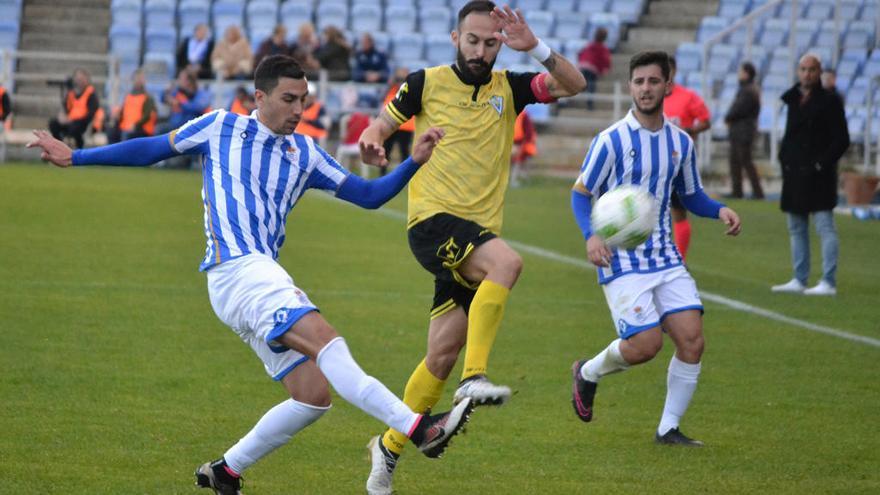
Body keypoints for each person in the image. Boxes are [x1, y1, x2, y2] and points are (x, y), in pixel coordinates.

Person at [27, 54, 474, 495]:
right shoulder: (221, 126)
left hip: (253, 278)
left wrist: (413, 160)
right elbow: (153, 148)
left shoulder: (305, 152)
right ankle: (416, 429)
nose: (299, 110)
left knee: (313, 394)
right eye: (288, 99)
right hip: (238, 270)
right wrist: (77, 155)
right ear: (259, 97)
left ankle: (226, 471)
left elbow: (370, 195)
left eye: (304, 99)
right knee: (327, 341)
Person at [357, 2, 586, 493]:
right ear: (455, 38)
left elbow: (575, 84)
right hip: (434, 222)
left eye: (490, 42)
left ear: (501, 43)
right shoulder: (425, 82)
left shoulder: (512, 88)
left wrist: (538, 49)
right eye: (473, 40)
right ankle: (475, 377)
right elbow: (382, 122)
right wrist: (371, 139)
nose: (481, 51)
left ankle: (388, 449)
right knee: (509, 262)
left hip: (472, 241)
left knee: (439, 354)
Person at [569, 50, 742, 448]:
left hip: (665, 258)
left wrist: (720, 210)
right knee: (646, 346)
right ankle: (588, 373)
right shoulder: (611, 140)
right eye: (638, 82)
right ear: (630, 86)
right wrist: (590, 235)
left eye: (652, 81)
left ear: (668, 84)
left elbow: (691, 195)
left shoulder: (680, 142)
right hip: (621, 259)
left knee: (692, 340)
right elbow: (580, 195)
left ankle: (668, 429)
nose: (645, 89)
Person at [771, 54, 850, 296]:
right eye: (803, 69)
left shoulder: (830, 101)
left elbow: (841, 139)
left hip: (819, 174)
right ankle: (799, 278)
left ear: (819, 72)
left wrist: (821, 164)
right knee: (796, 227)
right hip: (794, 172)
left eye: (812, 70)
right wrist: (784, 158)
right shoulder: (793, 99)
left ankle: (828, 280)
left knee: (825, 226)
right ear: (798, 71)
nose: (807, 74)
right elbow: (790, 135)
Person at [663, 55, 711, 262]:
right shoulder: (650, 98)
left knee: (678, 212)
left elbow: (706, 120)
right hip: (652, 163)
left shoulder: (687, 96)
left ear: (673, 71)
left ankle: (679, 261)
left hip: (678, 163)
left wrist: (689, 129)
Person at [724, 61, 763, 199]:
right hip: (741, 130)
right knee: (736, 161)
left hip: (743, 131)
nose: (739, 74)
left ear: (746, 73)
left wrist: (728, 117)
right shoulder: (749, 89)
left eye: (741, 72)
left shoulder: (748, 90)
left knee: (745, 161)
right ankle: (737, 191)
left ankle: (757, 193)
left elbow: (739, 109)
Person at [48, 68, 99, 150]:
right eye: (78, 79)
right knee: (53, 124)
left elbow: (91, 113)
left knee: (75, 127)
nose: (79, 81)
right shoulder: (71, 93)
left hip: (83, 122)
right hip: (70, 121)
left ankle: (78, 148)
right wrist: (62, 116)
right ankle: (58, 148)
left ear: (87, 80)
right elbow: (65, 108)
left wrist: (76, 120)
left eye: (82, 79)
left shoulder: (91, 93)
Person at [108, 69, 157, 144]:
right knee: (111, 131)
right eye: (137, 78)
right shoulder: (128, 96)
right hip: (126, 127)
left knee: (126, 135)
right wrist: (117, 116)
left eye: (141, 78)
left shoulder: (148, 97)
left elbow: (147, 116)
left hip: (140, 129)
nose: (139, 81)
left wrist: (135, 125)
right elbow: (122, 113)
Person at [381, 67, 415, 164]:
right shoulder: (392, 89)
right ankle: (383, 175)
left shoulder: (411, 88)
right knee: (386, 150)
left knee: (404, 152)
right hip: (391, 124)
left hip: (406, 126)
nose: (401, 82)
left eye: (403, 79)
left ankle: (405, 176)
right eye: (399, 79)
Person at [577, 27, 611, 111]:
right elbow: (605, 60)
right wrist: (604, 69)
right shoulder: (603, 48)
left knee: (586, 83)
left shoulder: (589, 45)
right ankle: (590, 105)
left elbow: (580, 53)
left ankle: (581, 91)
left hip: (582, 66)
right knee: (591, 86)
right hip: (592, 69)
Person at [510, 109, 536, 187]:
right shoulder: (524, 114)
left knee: (516, 162)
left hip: (513, 141)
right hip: (518, 142)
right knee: (517, 162)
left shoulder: (512, 112)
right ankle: (513, 180)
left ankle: (519, 178)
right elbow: (528, 130)